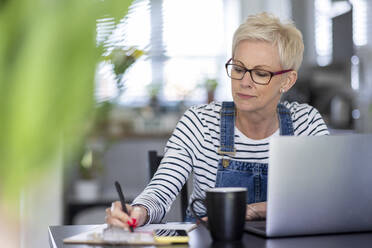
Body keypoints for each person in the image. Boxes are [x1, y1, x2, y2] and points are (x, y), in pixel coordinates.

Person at [105, 12, 329, 229]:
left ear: (287, 81)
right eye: (239, 69)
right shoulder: (199, 122)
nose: (244, 82)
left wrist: (254, 210)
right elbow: (161, 190)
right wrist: (139, 210)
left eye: (260, 73)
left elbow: (326, 197)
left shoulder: (305, 123)